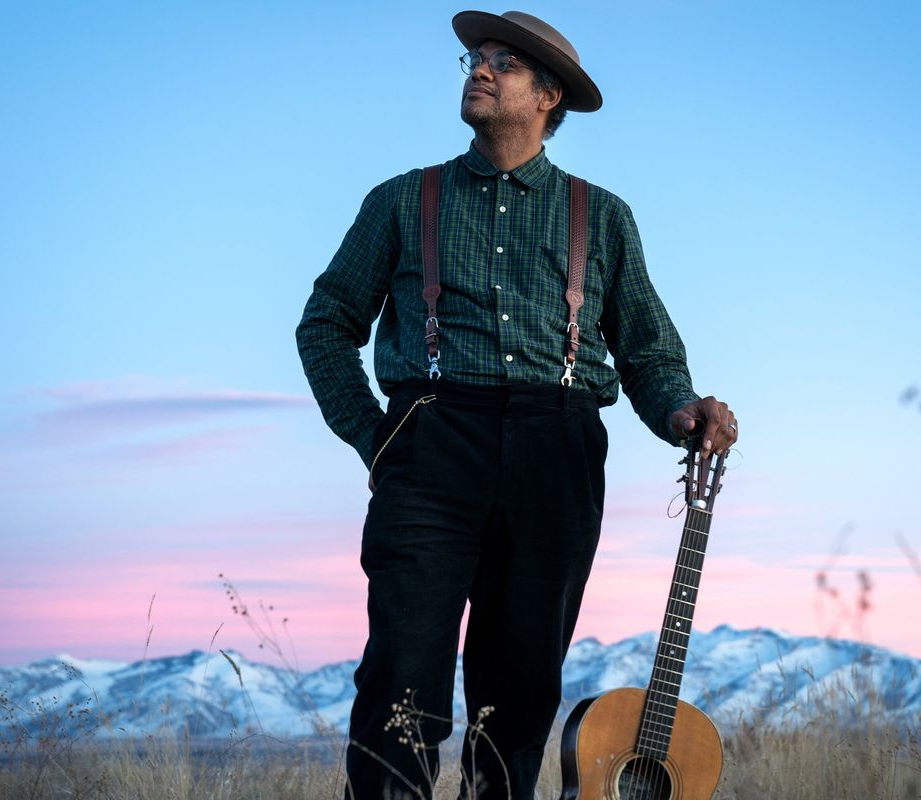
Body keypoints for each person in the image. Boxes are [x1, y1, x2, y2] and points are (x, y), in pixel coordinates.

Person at [296, 10, 738, 798]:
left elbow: (647, 352)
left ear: (548, 96)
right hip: (430, 445)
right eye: (475, 57)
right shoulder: (403, 201)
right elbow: (326, 324)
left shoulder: (601, 215)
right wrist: (377, 438)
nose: (480, 69)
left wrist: (680, 411)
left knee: (522, 684)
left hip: (555, 451)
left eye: (503, 62)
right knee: (402, 672)